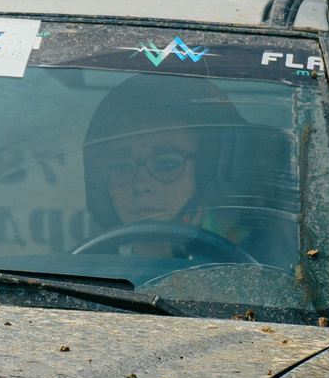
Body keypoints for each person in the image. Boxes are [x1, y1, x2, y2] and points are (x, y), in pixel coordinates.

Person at [78, 74, 299, 264]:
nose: (140, 184)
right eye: (121, 167)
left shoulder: (270, 265)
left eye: (166, 164)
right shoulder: (80, 272)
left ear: (207, 173)